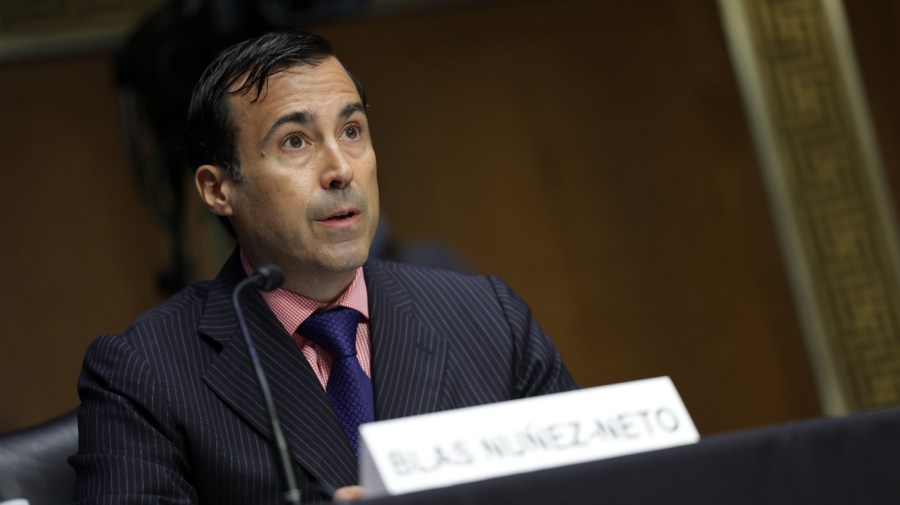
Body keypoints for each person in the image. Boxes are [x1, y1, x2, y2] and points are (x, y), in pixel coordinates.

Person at [71, 29, 577, 504]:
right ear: (218, 189)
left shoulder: (490, 319)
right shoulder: (142, 372)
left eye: (352, 131)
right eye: (296, 141)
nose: (340, 169)